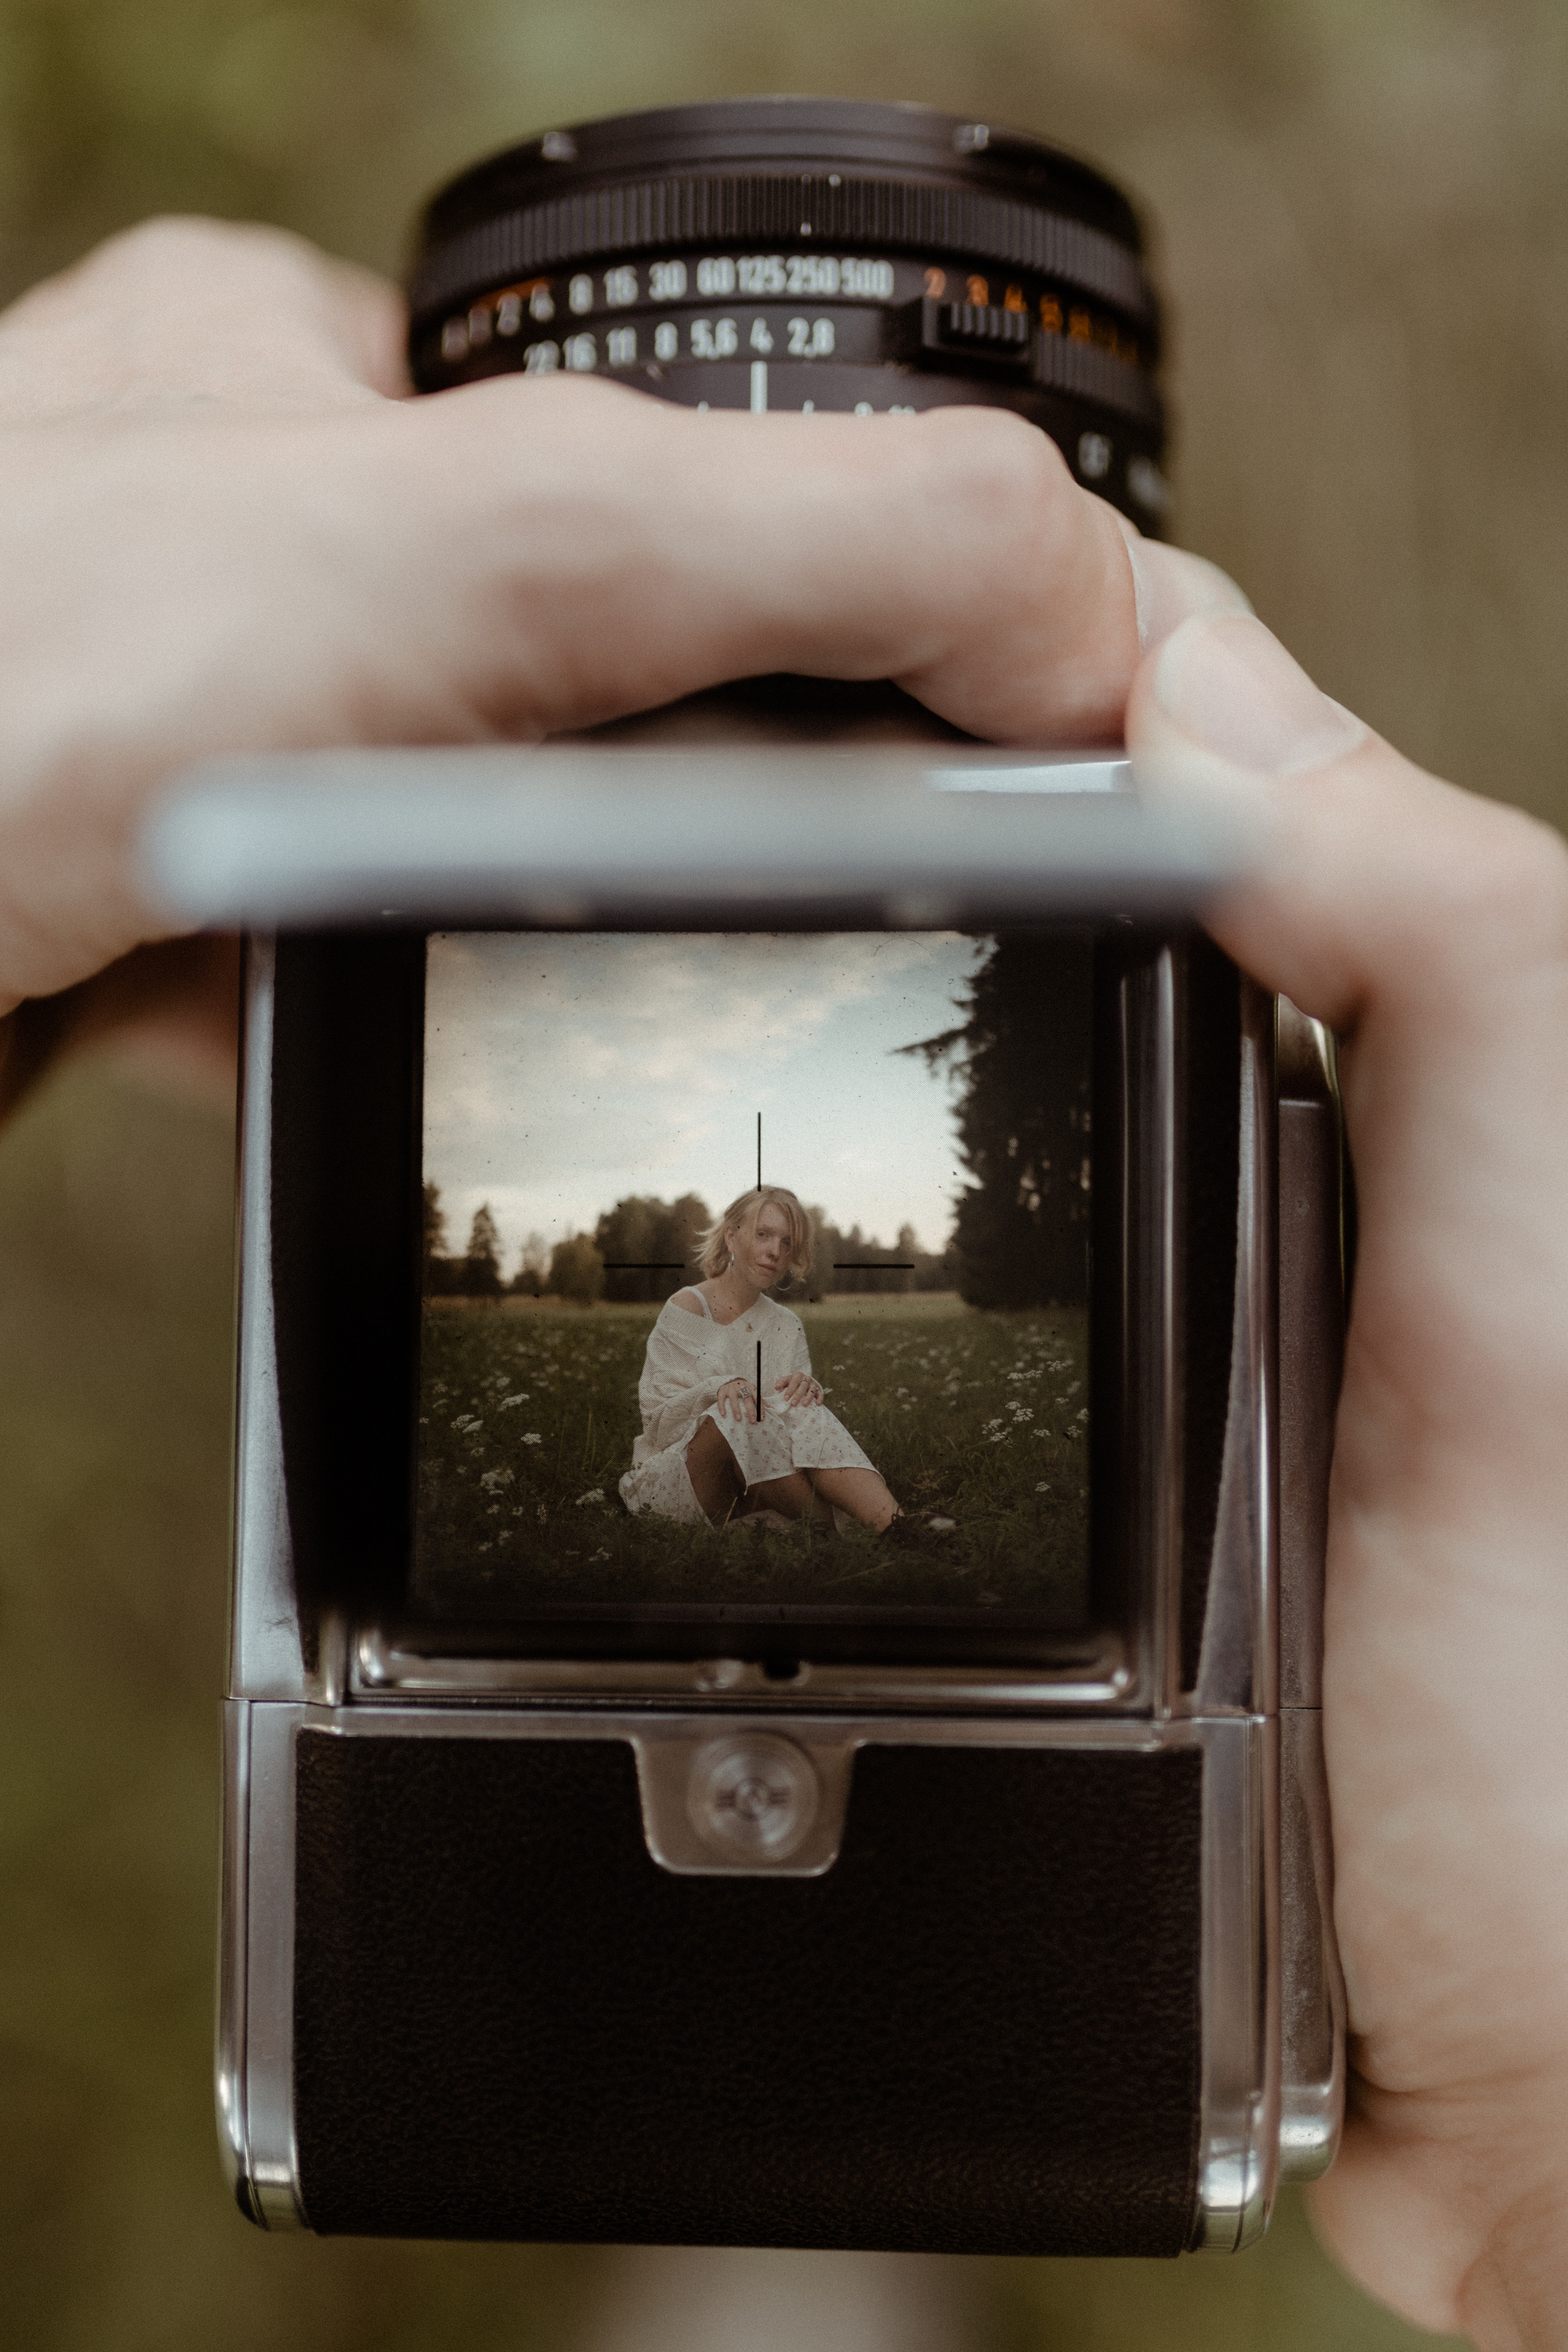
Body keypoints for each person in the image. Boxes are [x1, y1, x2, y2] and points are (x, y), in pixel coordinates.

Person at [3, 217, 1567, 2348]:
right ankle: (797, 2265)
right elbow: (701, 1395)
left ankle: (768, 2264)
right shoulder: (677, 1306)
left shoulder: (791, 1293)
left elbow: (781, 1386)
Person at [619, 1185, 900, 1532]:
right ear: (732, 1237)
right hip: (679, 1478)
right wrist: (721, 1387)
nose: (775, 1252)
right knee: (741, 1411)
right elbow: (660, 1424)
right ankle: (835, 1532)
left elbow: (795, 1432)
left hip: (759, 1485)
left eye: (786, 1243)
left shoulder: (787, 1325)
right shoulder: (688, 1307)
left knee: (799, 1405)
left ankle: (898, 1526)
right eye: (763, 1235)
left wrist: (806, 1389)